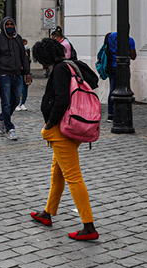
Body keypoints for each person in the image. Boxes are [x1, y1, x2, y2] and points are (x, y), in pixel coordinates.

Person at [29, 37, 99, 241]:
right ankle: (47, 213)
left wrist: (49, 124)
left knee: (73, 177)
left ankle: (89, 226)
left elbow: (61, 99)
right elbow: (93, 81)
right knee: (57, 173)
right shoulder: (74, 65)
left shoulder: (60, 69)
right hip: (74, 126)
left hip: (62, 130)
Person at [0, 17, 31, 140]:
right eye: (6, 25)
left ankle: (1, 118)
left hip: (17, 74)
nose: (9, 26)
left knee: (16, 99)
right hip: (3, 75)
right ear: (3, 26)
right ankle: (9, 128)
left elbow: (23, 56)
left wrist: (27, 73)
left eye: (11, 24)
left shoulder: (18, 39)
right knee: (6, 102)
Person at [106, 30, 136, 122]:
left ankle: (110, 114)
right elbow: (133, 56)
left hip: (112, 66)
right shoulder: (129, 40)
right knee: (125, 89)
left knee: (112, 89)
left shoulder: (111, 36)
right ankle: (122, 112)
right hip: (124, 67)